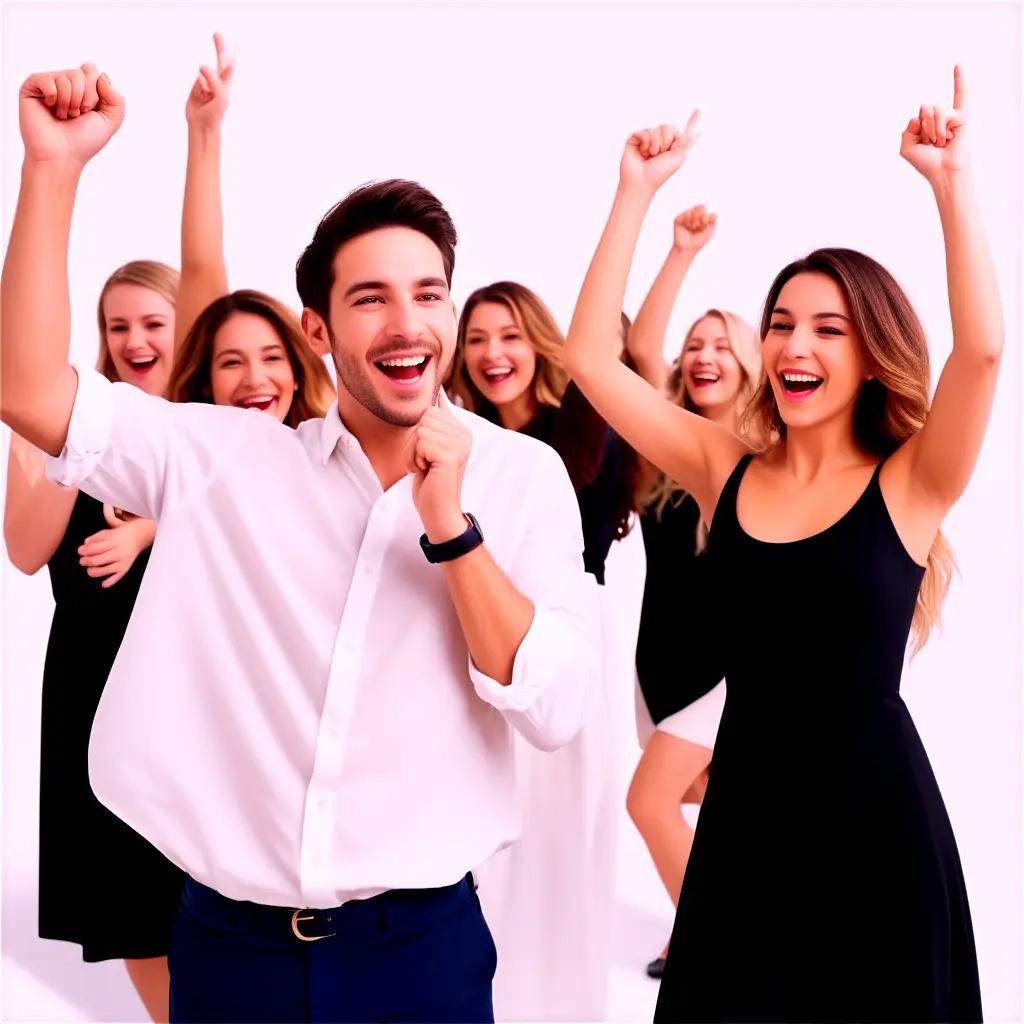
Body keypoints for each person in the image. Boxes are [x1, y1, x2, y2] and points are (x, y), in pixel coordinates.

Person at [3, 61, 596, 1024]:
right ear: (318, 327)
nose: (407, 324)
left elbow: (557, 706)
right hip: (229, 952)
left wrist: (451, 529)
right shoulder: (225, 461)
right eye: (370, 299)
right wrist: (52, 169)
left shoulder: (518, 477)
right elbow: (28, 391)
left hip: (420, 954)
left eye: (428, 294)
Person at [564, 69, 997, 1022]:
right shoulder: (727, 466)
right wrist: (633, 195)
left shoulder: (914, 482)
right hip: (748, 829)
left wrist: (952, 184)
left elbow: (983, 353)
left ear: (872, 347)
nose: (796, 345)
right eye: (784, 324)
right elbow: (592, 360)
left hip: (877, 828)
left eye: (828, 328)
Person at [451, 282, 639, 1020]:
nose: (493, 353)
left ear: (539, 343)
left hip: (565, 639)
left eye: (509, 336)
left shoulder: (576, 423)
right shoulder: (458, 440)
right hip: (479, 634)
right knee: (485, 840)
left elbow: (612, 349)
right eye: (477, 339)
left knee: (559, 841)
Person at [4, 260, 184, 1022]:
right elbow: (25, 546)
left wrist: (149, 532)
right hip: (91, 675)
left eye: (153, 323)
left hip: (186, 681)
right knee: (129, 902)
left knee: (203, 889)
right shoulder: (56, 423)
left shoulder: (206, 418)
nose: (135, 340)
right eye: (119, 327)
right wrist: (83, 434)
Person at [622, 205, 762, 980]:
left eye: (723, 346)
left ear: (749, 364)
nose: (704, 355)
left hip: (727, 670)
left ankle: (712, 945)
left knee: (647, 802)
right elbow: (641, 350)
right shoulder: (666, 440)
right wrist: (678, 253)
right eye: (695, 346)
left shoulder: (764, 449)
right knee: (706, 800)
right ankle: (749, 919)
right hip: (660, 659)